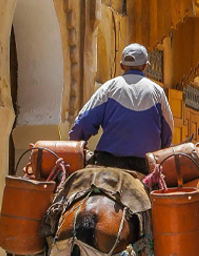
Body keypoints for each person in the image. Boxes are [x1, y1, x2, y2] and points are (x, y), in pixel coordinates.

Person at [69, 43, 174, 173]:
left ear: (121, 66)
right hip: (146, 166)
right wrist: (158, 153)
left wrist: (74, 147)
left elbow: (83, 122)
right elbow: (168, 131)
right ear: (145, 66)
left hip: (108, 162)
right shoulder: (157, 92)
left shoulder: (109, 88)